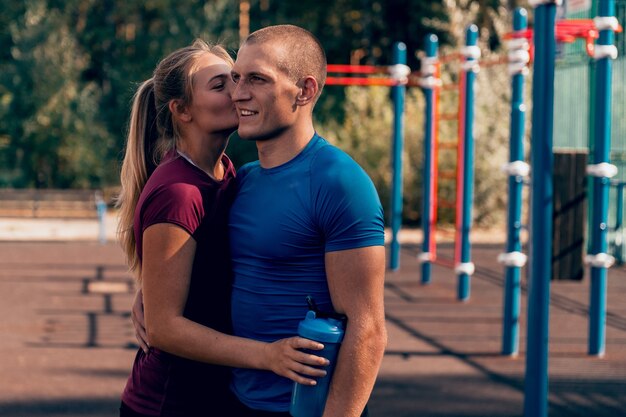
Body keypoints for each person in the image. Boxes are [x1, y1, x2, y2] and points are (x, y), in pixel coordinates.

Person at [116, 39, 329, 417]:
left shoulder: (227, 174)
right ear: (182, 110)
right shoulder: (179, 192)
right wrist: (268, 355)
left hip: (215, 395)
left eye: (237, 79)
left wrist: (149, 291)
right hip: (170, 404)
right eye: (221, 85)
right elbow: (165, 330)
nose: (238, 92)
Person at [226, 25, 387, 416]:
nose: (238, 93)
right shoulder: (243, 179)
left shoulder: (339, 182)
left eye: (257, 79)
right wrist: (150, 295)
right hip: (237, 398)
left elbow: (368, 331)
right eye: (235, 78)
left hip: (308, 408)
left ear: (305, 90)